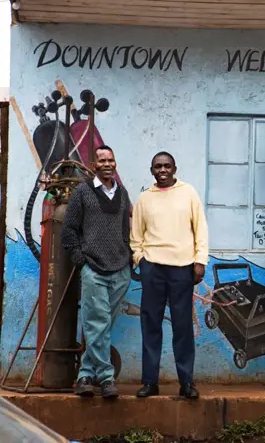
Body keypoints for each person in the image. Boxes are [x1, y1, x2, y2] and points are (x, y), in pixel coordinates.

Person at [130, 151, 208, 399]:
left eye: (166, 166)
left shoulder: (189, 193)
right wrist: (140, 260)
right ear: (151, 170)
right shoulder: (145, 198)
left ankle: (186, 383)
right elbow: (136, 235)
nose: (162, 170)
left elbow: (201, 229)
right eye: (157, 167)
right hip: (153, 268)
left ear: (175, 168)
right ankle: (150, 382)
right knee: (151, 325)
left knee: (182, 326)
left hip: (182, 268)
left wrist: (199, 261)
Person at [62, 145, 132, 398]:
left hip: (120, 270)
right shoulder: (82, 192)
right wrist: (81, 260)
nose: (107, 164)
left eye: (111, 159)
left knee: (100, 326)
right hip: (93, 269)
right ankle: (105, 377)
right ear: (93, 165)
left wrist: (130, 260)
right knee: (98, 323)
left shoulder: (123, 194)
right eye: (101, 160)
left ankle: (84, 375)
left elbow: (127, 230)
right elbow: (69, 230)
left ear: (115, 163)